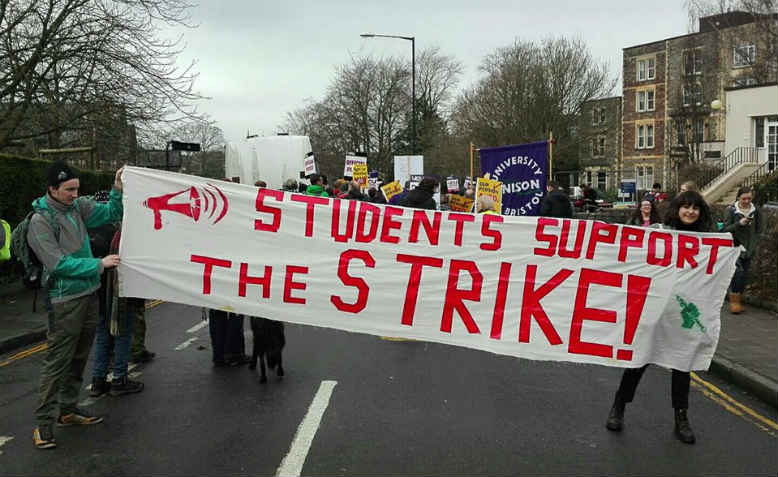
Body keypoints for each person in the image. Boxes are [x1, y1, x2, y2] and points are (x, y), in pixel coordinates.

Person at [28, 161, 124, 449]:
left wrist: (117, 190)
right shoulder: (40, 221)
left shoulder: (77, 207)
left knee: (80, 356)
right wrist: (98, 263)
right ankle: (43, 425)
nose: (75, 194)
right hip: (65, 300)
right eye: (69, 190)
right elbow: (57, 264)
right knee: (57, 361)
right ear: (52, 189)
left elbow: (112, 213)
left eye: (77, 189)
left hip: (88, 293)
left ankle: (67, 410)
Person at [605, 190, 712, 445]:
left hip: (683, 311)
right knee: (639, 360)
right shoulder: (659, 231)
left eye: (695, 208)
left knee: (682, 365)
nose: (690, 212)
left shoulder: (708, 241)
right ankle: (618, 406)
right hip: (654, 308)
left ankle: (681, 418)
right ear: (677, 209)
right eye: (685, 207)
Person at [90, 224, 144, 397]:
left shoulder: (91, 228)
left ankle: (98, 381)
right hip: (121, 292)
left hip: (99, 291)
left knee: (103, 335)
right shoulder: (125, 232)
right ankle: (119, 379)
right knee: (123, 334)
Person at [722, 186, 761, 314]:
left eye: (749, 198)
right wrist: (739, 223)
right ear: (738, 197)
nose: (746, 201)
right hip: (734, 247)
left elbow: (759, 228)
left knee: (744, 275)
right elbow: (725, 229)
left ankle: (737, 297)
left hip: (749, 248)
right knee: (738, 272)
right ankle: (734, 300)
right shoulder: (731, 210)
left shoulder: (756, 211)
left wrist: (754, 242)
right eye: (744, 198)